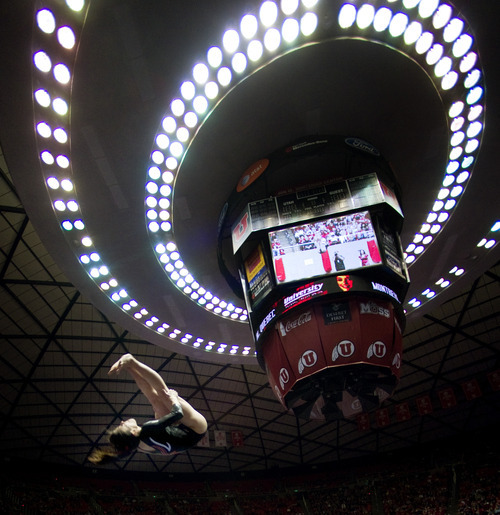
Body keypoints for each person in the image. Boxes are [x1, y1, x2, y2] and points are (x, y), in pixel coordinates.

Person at [88, 353, 208, 464]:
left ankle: (129, 365)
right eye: (122, 425)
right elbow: (178, 414)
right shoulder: (148, 429)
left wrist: (129, 369)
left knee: (154, 399)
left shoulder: (136, 445)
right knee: (164, 394)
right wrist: (174, 398)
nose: (122, 421)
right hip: (195, 429)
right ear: (133, 432)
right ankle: (132, 361)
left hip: (176, 432)